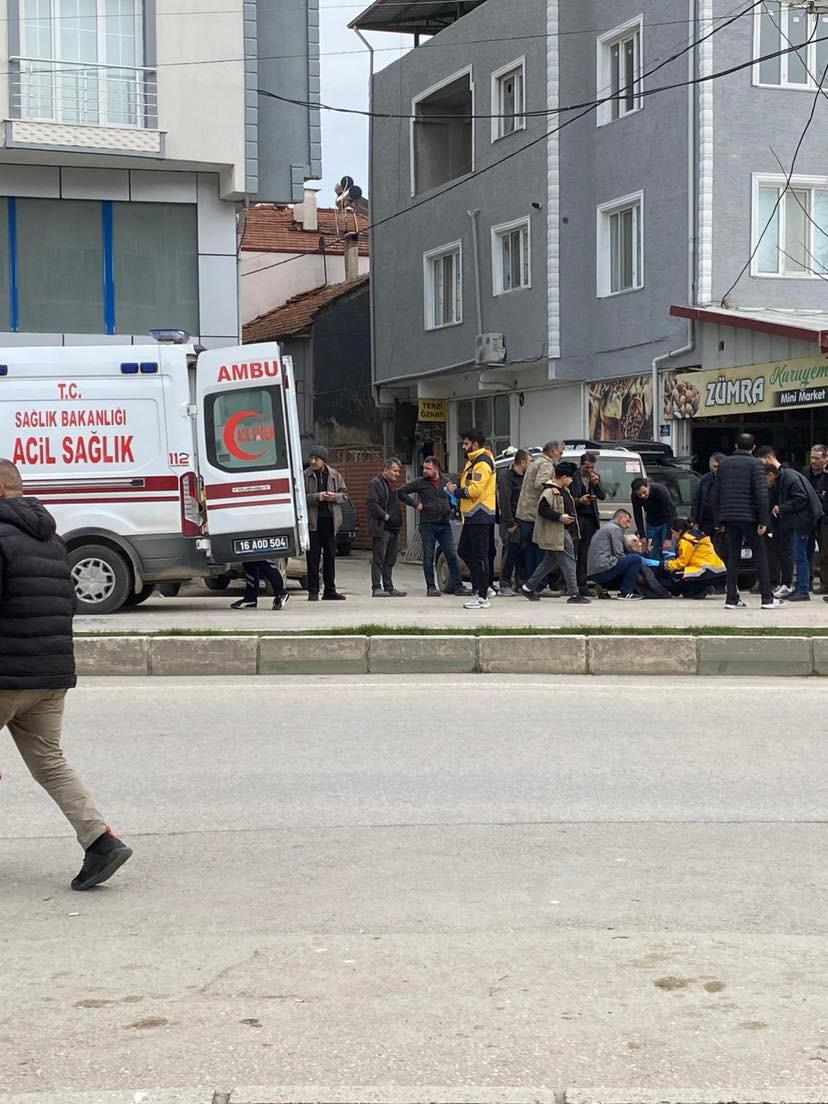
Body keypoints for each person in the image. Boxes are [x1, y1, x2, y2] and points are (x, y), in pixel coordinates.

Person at [0, 458, 132, 891]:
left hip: (6, 676)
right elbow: (67, 605)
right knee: (50, 764)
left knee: (49, 763)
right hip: (50, 676)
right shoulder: (54, 541)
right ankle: (101, 842)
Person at [711, 433, 780, 610]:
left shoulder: (724, 464)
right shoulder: (755, 464)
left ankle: (731, 598)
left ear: (735, 446)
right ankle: (766, 598)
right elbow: (761, 494)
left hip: (729, 516)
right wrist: (763, 520)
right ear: (753, 448)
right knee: (760, 555)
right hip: (750, 517)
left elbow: (716, 493)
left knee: (733, 557)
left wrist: (718, 520)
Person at [397, 457, 468, 597]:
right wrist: (415, 504)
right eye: (424, 468)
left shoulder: (446, 482)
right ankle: (431, 587)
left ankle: (458, 586)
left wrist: (451, 505)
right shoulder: (420, 482)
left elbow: (454, 497)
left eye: (428, 468)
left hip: (444, 524)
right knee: (428, 556)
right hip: (427, 524)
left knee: (451, 555)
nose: (424, 471)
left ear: (436, 468)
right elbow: (401, 491)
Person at [757, 445, 821, 602]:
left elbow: (801, 498)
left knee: (800, 556)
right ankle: (800, 588)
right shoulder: (784, 477)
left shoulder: (789, 477)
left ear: (770, 475)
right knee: (798, 555)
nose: (765, 484)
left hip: (802, 521)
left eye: (765, 480)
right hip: (798, 521)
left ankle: (803, 590)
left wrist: (782, 508)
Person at [520, 462, 589, 604]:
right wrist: (560, 517)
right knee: (569, 562)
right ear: (563, 477)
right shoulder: (549, 492)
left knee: (549, 562)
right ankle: (574, 593)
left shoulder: (563, 490)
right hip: (558, 533)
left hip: (562, 532)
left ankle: (528, 587)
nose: (571, 481)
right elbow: (543, 511)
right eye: (570, 478)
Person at [448, 428, 497, 609]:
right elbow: (468, 482)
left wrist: (456, 492)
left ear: (475, 444)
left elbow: (475, 489)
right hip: (471, 515)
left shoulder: (482, 462)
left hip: (480, 515)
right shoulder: (473, 461)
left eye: (466, 443)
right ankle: (483, 586)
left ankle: (481, 594)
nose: (463, 446)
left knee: (479, 556)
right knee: (464, 551)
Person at [514, 442, 564, 582]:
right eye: (560, 452)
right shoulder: (546, 464)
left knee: (530, 550)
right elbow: (540, 483)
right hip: (534, 514)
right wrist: (557, 486)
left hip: (525, 513)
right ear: (552, 452)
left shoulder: (535, 462)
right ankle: (539, 583)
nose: (561, 455)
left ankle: (530, 582)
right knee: (538, 551)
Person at [304, 446, 348, 602]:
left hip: (330, 522)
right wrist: (316, 497)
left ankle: (330, 591)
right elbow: (299, 497)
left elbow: (345, 496)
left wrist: (334, 497)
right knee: (313, 559)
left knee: (330, 558)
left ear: (323, 460)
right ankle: (313, 591)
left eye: (316, 459)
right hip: (313, 523)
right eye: (311, 458)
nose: (312, 461)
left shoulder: (335, 475)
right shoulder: (305, 475)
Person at [366, 457, 407, 598]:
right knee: (379, 558)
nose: (397, 474)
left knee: (390, 559)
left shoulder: (393, 485)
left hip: (394, 528)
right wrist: (385, 516)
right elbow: (372, 504)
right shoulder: (375, 483)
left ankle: (389, 587)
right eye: (395, 471)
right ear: (386, 470)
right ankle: (376, 588)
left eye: (398, 471)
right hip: (382, 528)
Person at [586, 508, 645, 599]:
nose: (628, 525)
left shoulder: (606, 528)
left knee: (628, 567)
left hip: (594, 572)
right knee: (635, 559)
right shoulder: (615, 529)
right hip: (603, 569)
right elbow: (619, 553)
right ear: (620, 518)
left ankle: (604, 588)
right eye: (627, 521)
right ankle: (626, 593)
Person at [570, 451, 607, 596]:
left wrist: (597, 485)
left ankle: (582, 585)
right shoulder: (573, 477)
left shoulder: (595, 477)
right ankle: (570, 584)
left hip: (590, 519)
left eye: (592, 467)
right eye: (587, 467)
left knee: (584, 553)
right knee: (573, 552)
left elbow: (602, 496)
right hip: (577, 518)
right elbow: (567, 498)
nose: (589, 470)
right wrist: (579, 501)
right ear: (581, 465)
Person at [663, 518, 726, 598]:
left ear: (680, 531)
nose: (673, 535)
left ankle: (701, 588)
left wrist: (668, 564)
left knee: (675, 574)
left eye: (673, 532)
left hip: (707, 571)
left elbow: (682, 562)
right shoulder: (696, 536)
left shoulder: (686, 540)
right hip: (719, 570)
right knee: (684, 574)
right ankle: (693, 591)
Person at [497, 449, 531, 595]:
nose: (531, 464)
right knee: (509, 553)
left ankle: (520, 583)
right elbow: (504, 501)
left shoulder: (525, 478)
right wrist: (510, 524)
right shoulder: (507, 478)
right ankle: (504, 584)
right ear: (522, 462)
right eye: (530, 461)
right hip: (510, 522)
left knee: (521, 553)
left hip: (522, 520)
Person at [631, 477, 676, 556]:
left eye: (644, 492)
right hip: (651, 523)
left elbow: (671, 513)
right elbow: (637, 514)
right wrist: (642, 535)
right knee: (653, 551)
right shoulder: (635, 496)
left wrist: (668, 538)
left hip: (666, 521)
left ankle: (667, 562)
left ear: (648, 486)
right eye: (639, 494)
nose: (643, 496)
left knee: (667, 551)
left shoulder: (660, 491)